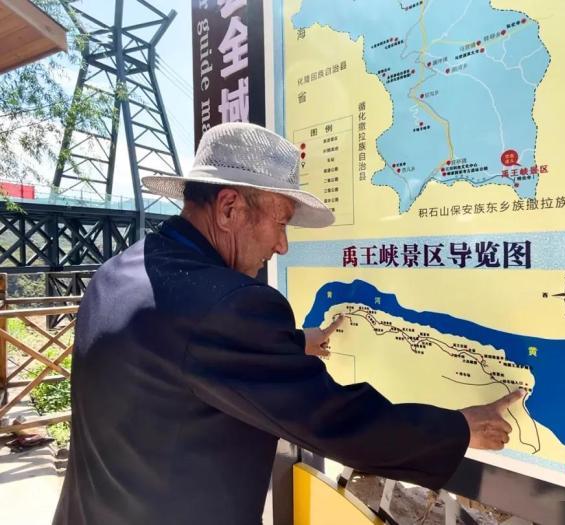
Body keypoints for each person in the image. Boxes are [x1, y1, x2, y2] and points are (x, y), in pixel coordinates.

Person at [53, 123, 522, 525]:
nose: (282, 246)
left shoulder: (119, 272)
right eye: (281, 223)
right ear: (229, 208)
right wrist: (459, 427)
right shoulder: (228, 307)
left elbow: (177, 354)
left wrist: (292, 344)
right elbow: (335, 422)